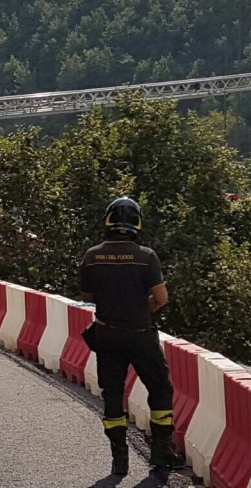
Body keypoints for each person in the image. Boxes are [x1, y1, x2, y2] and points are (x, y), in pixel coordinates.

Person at [79, 196, 184, 477]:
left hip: (107, 335)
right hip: (140, 334)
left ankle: (120, 458)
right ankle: (162, 450)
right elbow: (161, 297)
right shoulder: (146, 256)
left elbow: (87, 295)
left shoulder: (92, 255)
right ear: (137, 222)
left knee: (113, 394)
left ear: (108, 221)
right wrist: (147, 304)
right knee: (160, 389)